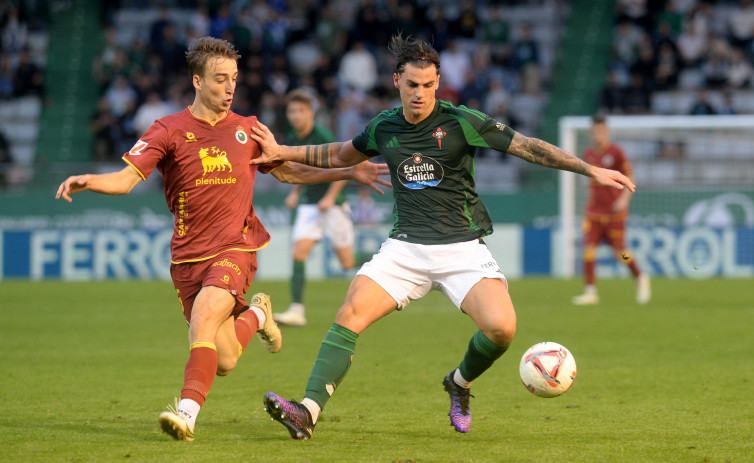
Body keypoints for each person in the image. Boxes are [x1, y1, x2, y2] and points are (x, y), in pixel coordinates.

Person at [249, 34, 635, 440]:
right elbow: (340, 154)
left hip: (462, 249)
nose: (421, 93)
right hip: (405, 248)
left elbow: (527, 147)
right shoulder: (384, 126)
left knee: (503, 329)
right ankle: (306, 412)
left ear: (438, 83)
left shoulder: (461, 121)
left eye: (429, 85)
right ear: (397, 80)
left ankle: (459, 383)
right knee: (349, 314)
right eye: (413, 85)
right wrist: (284, 151)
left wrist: (590, 170)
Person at [55, 37, 390, 442]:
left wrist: (347, 172)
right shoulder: (168, 130)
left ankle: (185, 414)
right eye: (220, 80)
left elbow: (287, 172)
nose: (230, 88)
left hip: (236, 248)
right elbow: (127, 179)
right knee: (226, 358)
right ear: (197, 81)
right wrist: (91, 181)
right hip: (187, 259)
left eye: (234, 79)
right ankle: (260, 315)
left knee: (203, 320)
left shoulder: (249, 129)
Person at [274, 89, 355, 327]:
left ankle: (384, 255)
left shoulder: (322, 135)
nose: (296, 116)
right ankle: (297, 310)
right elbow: (301, 170)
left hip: (333, 206)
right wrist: (295, 191)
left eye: (300, 111)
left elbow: (343, 168)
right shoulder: (294, 137)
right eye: (292, 111)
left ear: (311, 113)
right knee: (298, 253)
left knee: (347, 263)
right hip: (310, 205)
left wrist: (330, 197)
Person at [571, 114, 650, 306]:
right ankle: (591, 292)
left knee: (620, 253)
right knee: (588, 249)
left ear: (607, 132)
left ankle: (640, 277)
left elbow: (630, 176)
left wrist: (623, 200)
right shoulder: (588, 154)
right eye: (596, 131)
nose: (599, 135)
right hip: (594, 213)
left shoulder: (616, 153)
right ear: (592, 133)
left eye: (602, 131)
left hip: (614, 213)